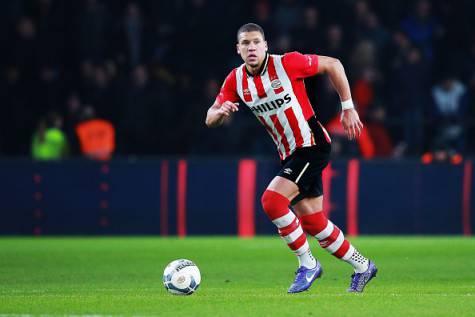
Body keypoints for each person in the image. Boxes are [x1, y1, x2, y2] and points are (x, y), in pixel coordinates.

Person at [205, 23, 377, 293]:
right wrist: (221, 112)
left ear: (265, 45)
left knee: (272, 201)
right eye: (246, 44)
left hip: (311, 145)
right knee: (313, 221)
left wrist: (348, 107)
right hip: (289, 154)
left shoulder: (287, 64)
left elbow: (334, 64)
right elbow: (209, 118)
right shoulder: (235, 80)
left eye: (256, 42)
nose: (251, 48)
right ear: (238, 49)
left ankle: (308, 265)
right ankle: (363, 266)